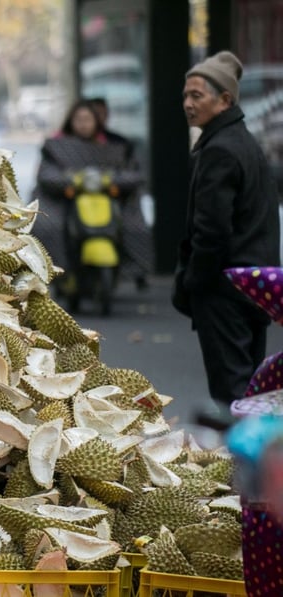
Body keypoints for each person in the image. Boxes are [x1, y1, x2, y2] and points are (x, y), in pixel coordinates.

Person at [173, 51, 280, 430]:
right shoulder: (244, 142)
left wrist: (192, 282)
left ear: (225, 100)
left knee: (234, 396)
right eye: (186, 95)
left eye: (197, 96)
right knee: (255, 393)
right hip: (256, 288)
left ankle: (244, 482)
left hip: (226, 289)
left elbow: (212, 232)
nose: (188, 103)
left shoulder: (220, 149)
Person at [32, 99, 144, 298]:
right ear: (71, 121)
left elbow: (132, 173)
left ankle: (132, 270)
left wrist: (110, 180)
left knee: (133, 226)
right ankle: (61, 273)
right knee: (48, 226)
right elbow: (46, 175)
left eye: (88, 119)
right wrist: (70, 180)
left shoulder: (114, 146)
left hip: (106, 201)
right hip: (66, 201)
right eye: (79, 119)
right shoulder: (56, 146)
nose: (83, 124)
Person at [87, 96, 153, 291]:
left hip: (117, 198)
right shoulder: (66, 142)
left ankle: (138, 270)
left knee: (135, 226)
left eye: (101, 113)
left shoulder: (120, 142)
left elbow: (134, 172)